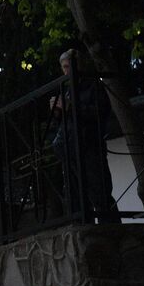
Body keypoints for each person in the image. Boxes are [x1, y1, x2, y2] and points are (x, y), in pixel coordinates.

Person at [49, 48, 118, 222]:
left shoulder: (93, 85)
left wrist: (70, 107)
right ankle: (85, 227)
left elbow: (99, 112)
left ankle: (110, 229)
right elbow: (68, 122)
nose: (66, 72)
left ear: (78, 65)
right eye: (63, 68)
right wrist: (58, 112)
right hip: (71, 148)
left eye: (68, 66)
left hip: (90, 145)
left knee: (99, 191)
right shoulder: (68, 90)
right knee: (77, 195)